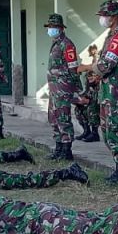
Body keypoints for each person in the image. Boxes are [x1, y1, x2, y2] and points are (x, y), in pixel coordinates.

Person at [79, 0, 118, 183]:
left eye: (104, 15)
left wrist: (86, 67)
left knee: (116, 129)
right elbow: (106, 67)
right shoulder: (111, 36)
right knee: (108, 129)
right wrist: (98, 77)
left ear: (114, 16)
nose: (102, 18)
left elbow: (105, 64)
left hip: (116, 93)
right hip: (108, 91)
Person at [44, 13, 81, 160]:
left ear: (61, 28)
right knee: (53, 118)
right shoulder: (55, 43)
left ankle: (66, 151)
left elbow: (73, 68)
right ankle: (58, 147)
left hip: (63, 88)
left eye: (53, 26)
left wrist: (78, 89)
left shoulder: (67, 44)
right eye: (49, 26)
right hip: (54, 89)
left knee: (63, 118)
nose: (50, 29)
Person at [75, 44, 102, 143]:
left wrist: (88, 100)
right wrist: (82, 98)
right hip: (90, 94)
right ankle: (86, 131)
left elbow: (96, 87)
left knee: (91, 107)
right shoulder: (90, 66)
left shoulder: (99, 64)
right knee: (78, 108)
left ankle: (95, 134)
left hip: (98, 97)